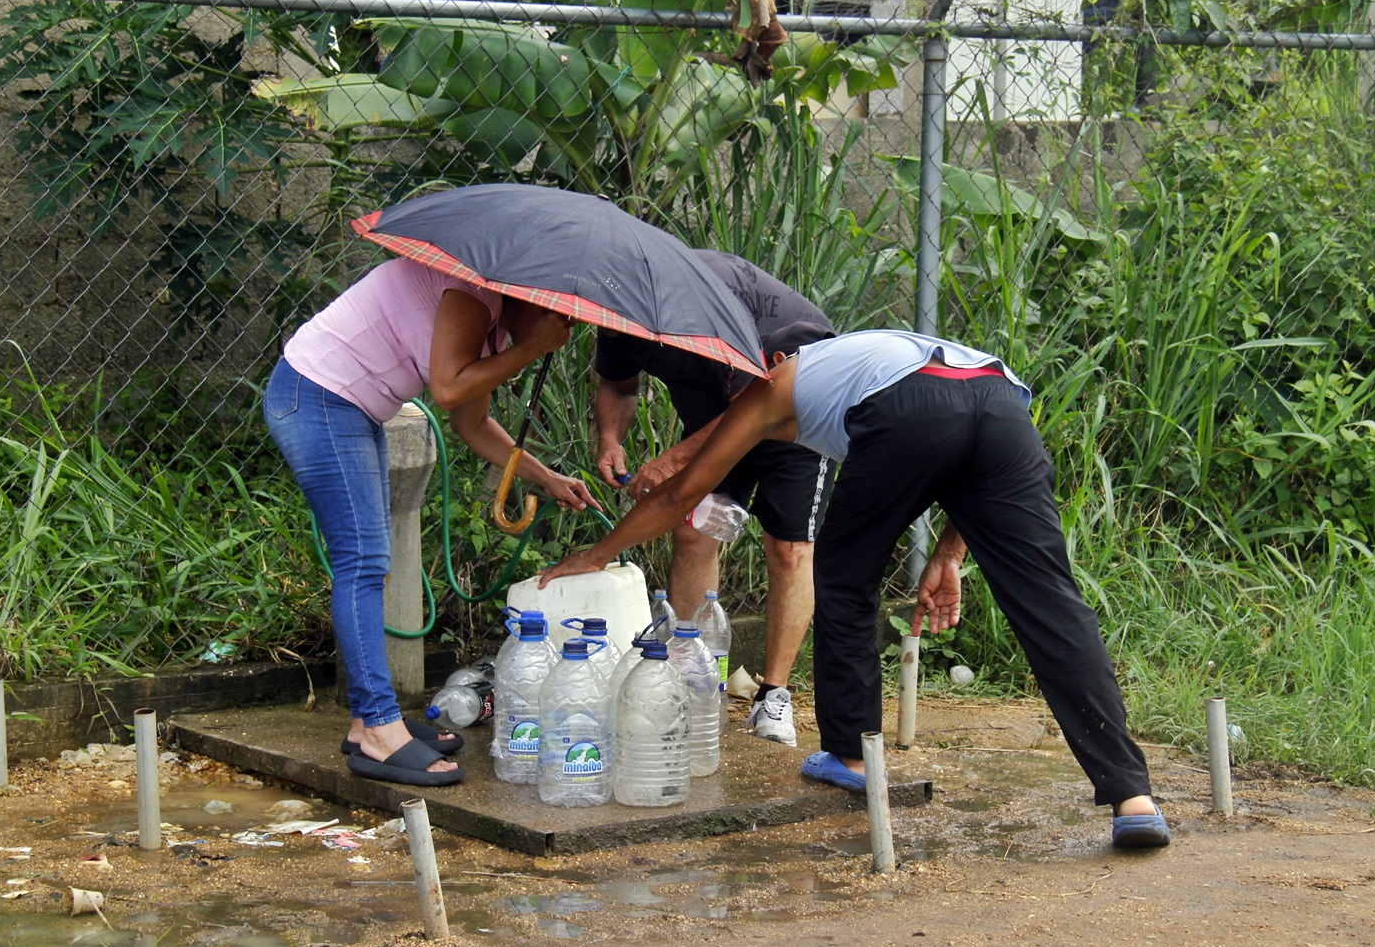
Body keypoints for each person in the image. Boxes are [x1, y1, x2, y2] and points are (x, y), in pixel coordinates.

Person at [542, 328, 1171, 847]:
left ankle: (847, 757)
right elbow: (970, 458)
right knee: (1050, 602)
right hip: (1000, 399)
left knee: (844, 579)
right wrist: (950, 553)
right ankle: (1131, 794)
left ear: (769, 366)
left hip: (912, 407)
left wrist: (596, 556)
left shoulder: (772, 388)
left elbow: (684, 492)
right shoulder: (864, 354)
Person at [265, 257, 601, 787]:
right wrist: (531, 349)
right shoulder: (473, 295)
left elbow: (473, 420)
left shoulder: (490, 328)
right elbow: (447, 389)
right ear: (530, 298)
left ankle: (366, 724)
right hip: (318, 398)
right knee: (363, 562)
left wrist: (547, 479)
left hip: (353, 408)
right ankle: (378, 729)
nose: (567, 328)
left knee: (371, 562)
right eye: (560, 314)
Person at [593, 251, 835, 748]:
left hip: (793, 401)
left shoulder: (706, 310)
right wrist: (610, 440)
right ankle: (690, 678)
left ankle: (774, 697)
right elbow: (617, 384)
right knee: (694, 526)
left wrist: (671, 462)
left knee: (789, 548)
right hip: (718, 410)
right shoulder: (616, 307)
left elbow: (753, 408)